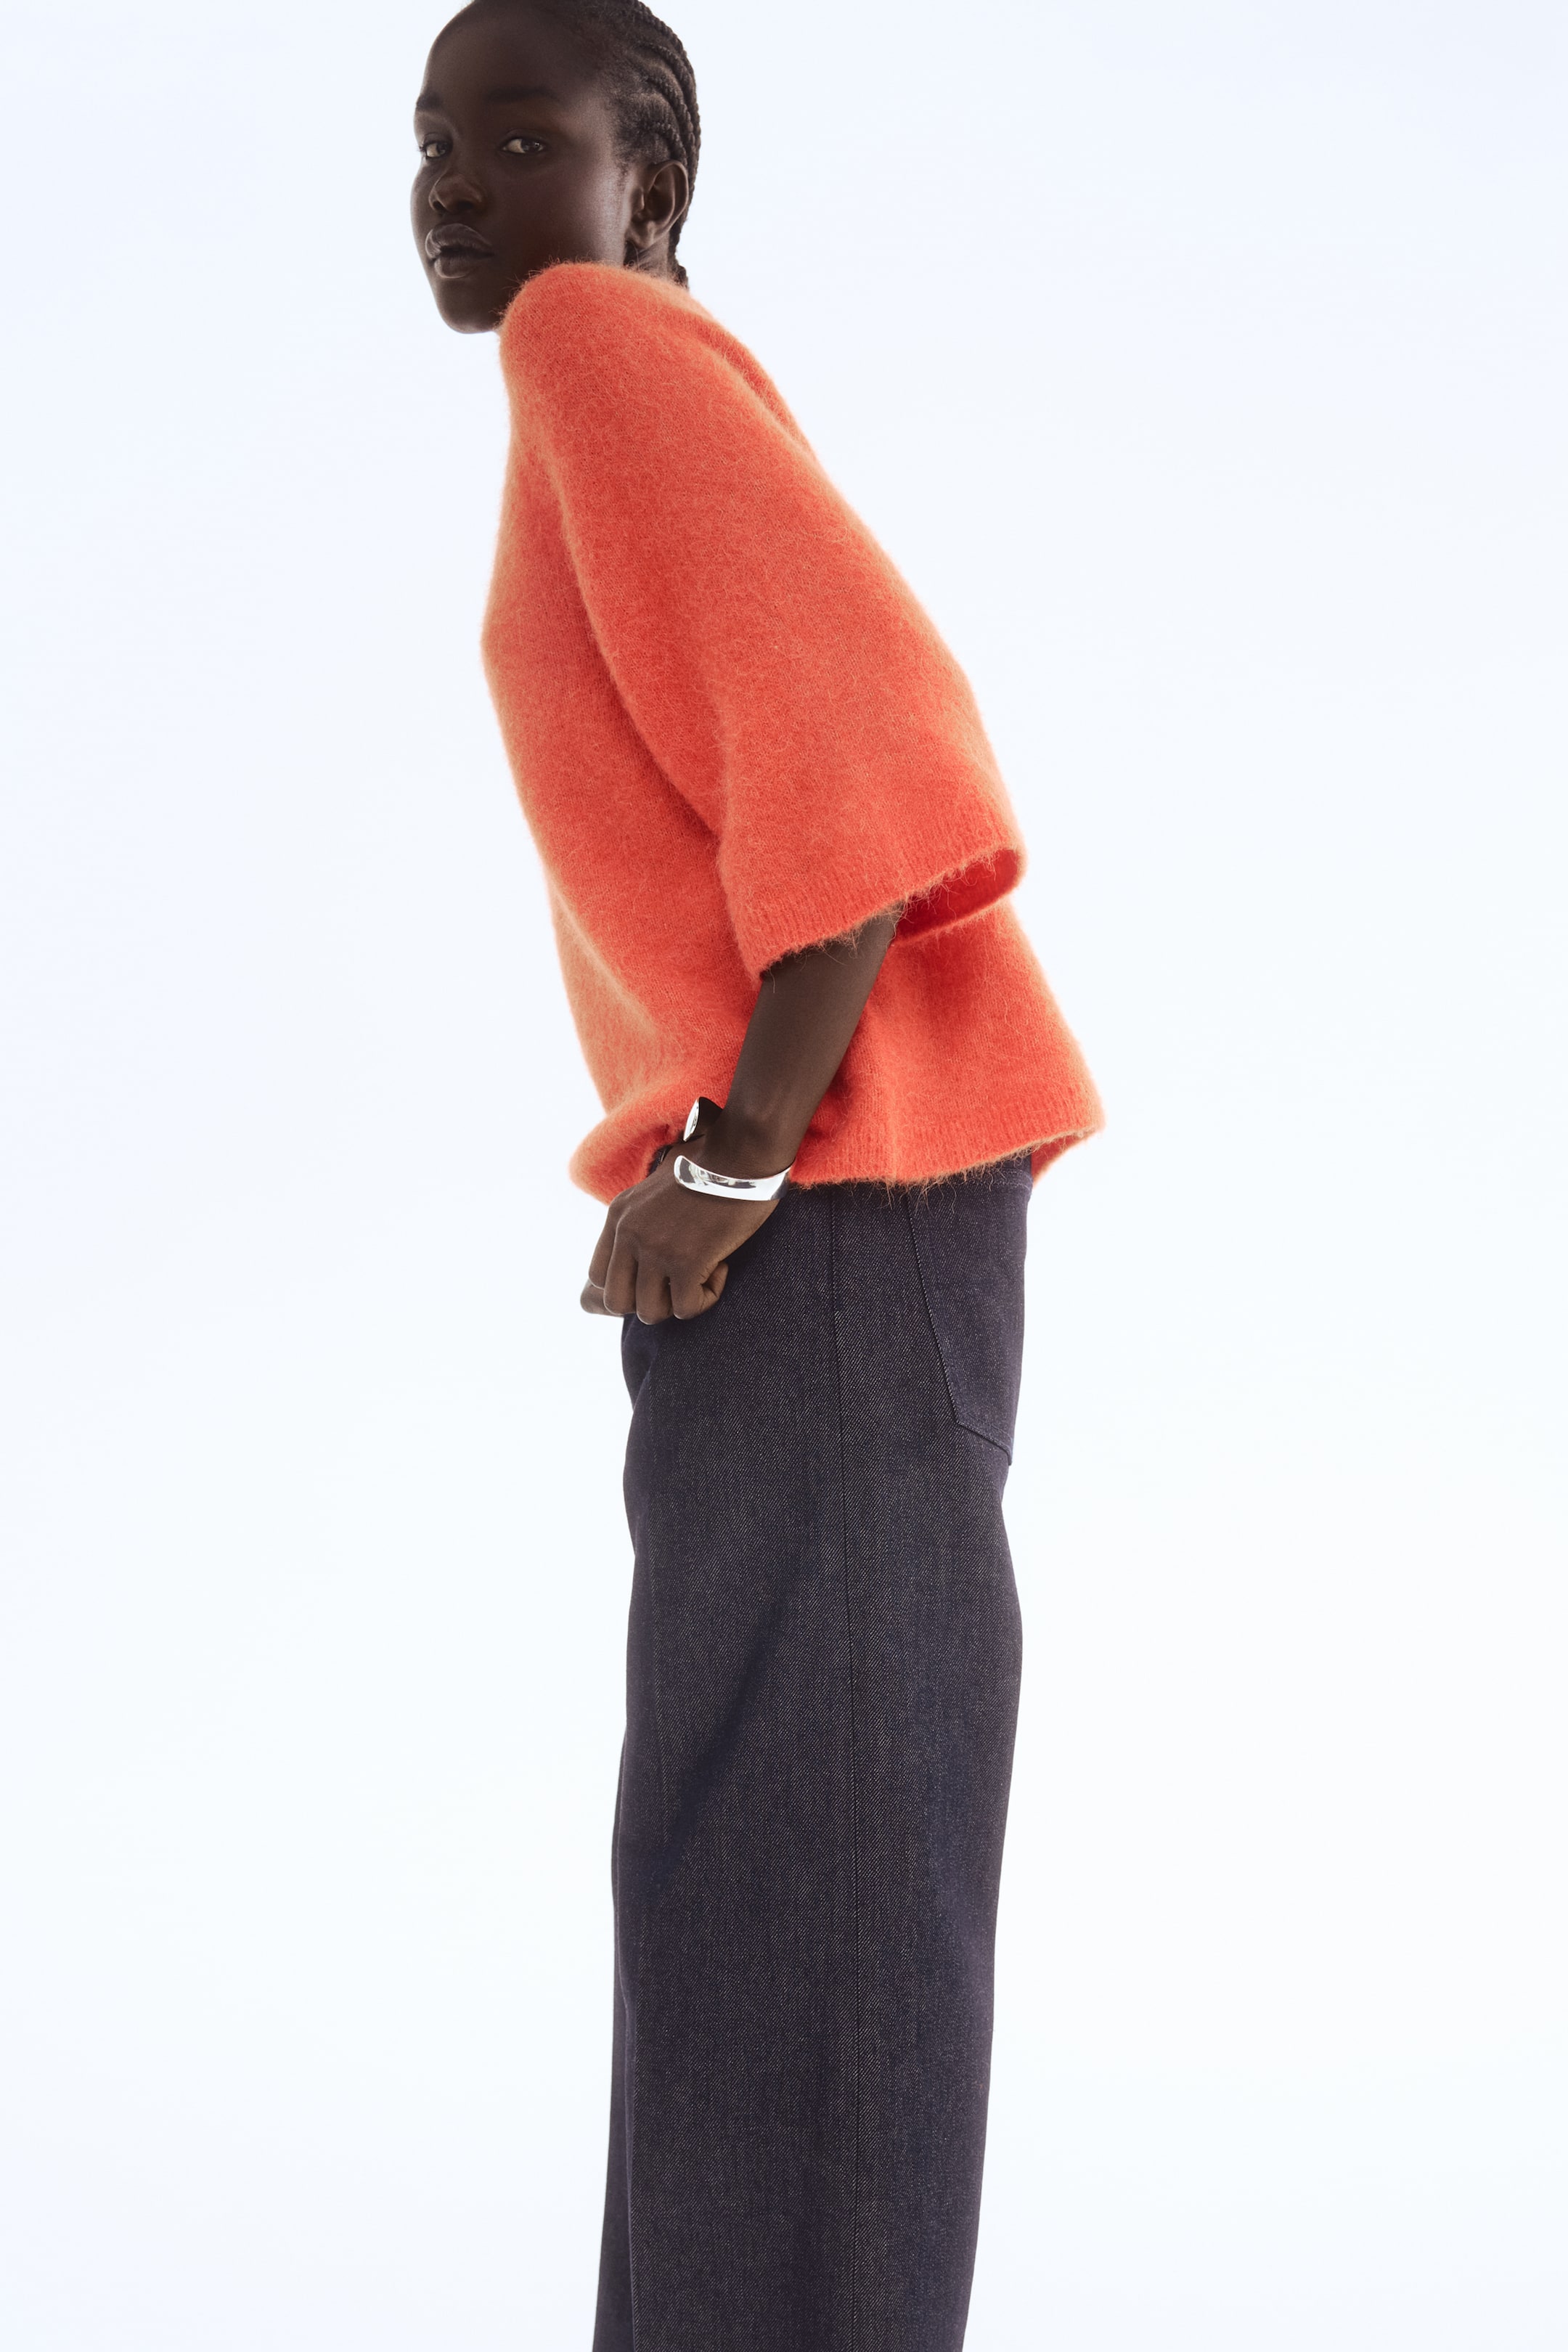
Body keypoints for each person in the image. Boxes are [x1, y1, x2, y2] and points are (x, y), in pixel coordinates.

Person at [411, 4, 1102, 2343]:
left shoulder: (603, 350)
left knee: (803, 1874)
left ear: (653, 184)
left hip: (837, 1219)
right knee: (763, 1868)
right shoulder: (624, 376)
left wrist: (734, 1157)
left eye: (521, 140)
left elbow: (870, 772)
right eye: (432, 143)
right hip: (830, 1236)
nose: (455, 186)